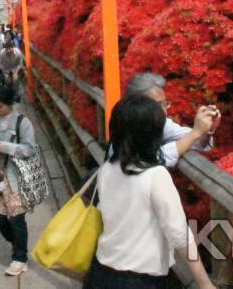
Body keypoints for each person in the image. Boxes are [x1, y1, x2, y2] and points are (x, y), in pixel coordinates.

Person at [85, 96, 216, 288]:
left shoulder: (107, 168)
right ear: (152, 135)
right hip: (138, 280)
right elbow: (179, 234)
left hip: (100, 272)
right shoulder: (155, 175)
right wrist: (205, 284)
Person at [0, 84, 38, 276]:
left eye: (0, 106)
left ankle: (20, 257)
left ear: (10, 104)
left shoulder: (22, 123)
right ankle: (17, 244)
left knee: (17, 218)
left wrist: (1, 145)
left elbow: (29, 149)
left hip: (17, 177)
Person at [124, 72, 221, 166]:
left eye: (164, 104)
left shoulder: (161, 122)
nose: (164, 111)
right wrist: (196, 132)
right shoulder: (125, 124)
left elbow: (197, 141)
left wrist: (208, 129)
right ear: (137, 105)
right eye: (157, 105)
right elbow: (152, 159)